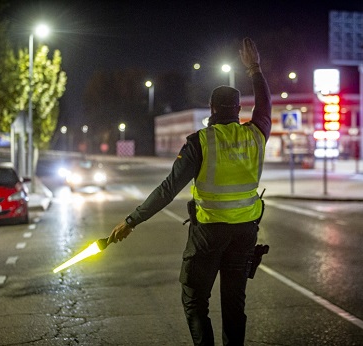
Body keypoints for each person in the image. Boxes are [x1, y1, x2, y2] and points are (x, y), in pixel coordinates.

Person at [108, 37, 272, 346]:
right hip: (245, 232)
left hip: (209, 233)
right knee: (234, 305)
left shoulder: (200, 141)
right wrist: (255, 68)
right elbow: (265, 106)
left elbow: (169, 189)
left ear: (211, 109)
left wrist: (131, 221)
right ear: (238, 109)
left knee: (195, 302)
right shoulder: (257, 134)